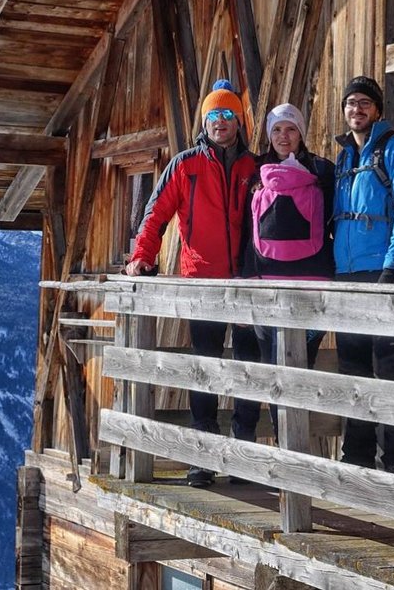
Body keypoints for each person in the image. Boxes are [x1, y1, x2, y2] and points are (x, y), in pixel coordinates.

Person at [124, 79, 261, 486]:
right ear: (205, 122)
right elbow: (156, 213)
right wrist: (141, 258)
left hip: (248, 283)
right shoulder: (185, 165)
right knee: (205, 368)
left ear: (238, 120)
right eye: (214, 114)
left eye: (227, 113)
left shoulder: (254, 167)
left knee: (248, 369)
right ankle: (203, 455)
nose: (221, 121)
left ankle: (245, 452)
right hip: (202, 282)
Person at [331, 74, 394, 476]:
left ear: (378, 110)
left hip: (384, 273)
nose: (357, 109)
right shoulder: (343, 159)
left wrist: (393, 265)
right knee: (353, 369)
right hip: (346, 275)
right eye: (351, 103)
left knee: (390, 370)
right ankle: (356, 458)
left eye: (364, 103)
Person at [241, 102, 334, 438]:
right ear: (269, 135)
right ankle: (284, 442)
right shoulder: (255, 173)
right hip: (266, 285)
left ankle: (293, 446)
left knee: (302, 368)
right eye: (277, 129)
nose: (284, 136)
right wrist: (247, 279)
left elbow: (334, 222)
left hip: (311, 286)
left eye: (291, 129)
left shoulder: (324, 172)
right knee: (272, 368)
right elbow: (245, 232)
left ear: (301, 134)